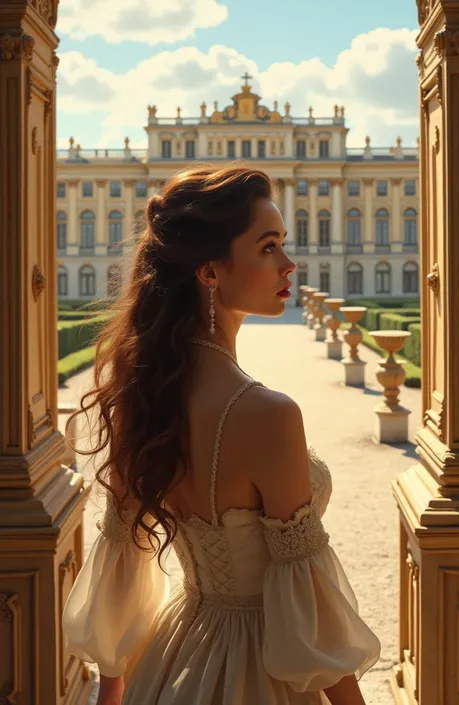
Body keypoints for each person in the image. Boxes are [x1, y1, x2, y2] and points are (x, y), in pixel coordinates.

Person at [62, 165, 381, 705]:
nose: (289, 263)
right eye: (268, 247)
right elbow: (311, 619)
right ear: (210, 272)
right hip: (261, 671)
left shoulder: (141, 395)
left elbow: (121, 570)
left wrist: (113, 695)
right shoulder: (267, 414)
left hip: (173, 659)